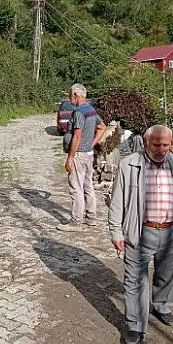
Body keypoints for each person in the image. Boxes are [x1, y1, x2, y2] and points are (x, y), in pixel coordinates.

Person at [108, 125, 173, 344]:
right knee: (134, 279)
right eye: (156, 144)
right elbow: (117, 200)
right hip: (140, 231)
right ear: (146, 143)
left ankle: (162, 306)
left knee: (169, 273)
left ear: (171, 143)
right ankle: (135, 326)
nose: (161, 149)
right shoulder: (129, 165)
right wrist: (116, 231)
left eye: (165, 145)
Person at [58, 83, 106, 232]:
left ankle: (76, 221)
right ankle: (91, 218)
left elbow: (77, 135)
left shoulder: (79, 112)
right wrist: (91, 144)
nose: (69, 98)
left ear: (75, 95)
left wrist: (70, 157)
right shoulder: (91, 110)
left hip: (79, 154)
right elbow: (102, 127)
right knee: (87, 186)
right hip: (88, 154)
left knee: (76, 188)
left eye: (69, 95)